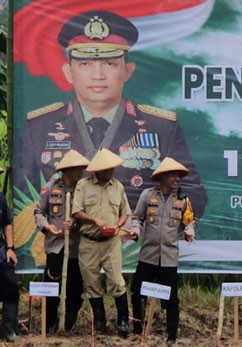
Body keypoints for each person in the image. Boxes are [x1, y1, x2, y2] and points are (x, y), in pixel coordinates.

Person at [17, 10, 206, 217]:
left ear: (128, 71)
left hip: (133, 244)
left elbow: (193, 194)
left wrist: (149, 229)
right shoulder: (40, 127)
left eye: (110, 63)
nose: (98, 75)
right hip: (65, 243)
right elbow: (22, 198)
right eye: (85, 64)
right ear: (68, 72)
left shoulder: (160, 127)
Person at [128, 157, 195, 345]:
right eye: (173, 176)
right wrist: (135, 230)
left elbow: (189, 222)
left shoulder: (182, 200)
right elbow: (137, 218)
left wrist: (189, 232)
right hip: (148, 255)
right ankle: (138, 329)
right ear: (163, 177)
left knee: (172, 299)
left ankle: (172, 335)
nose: (177, 179)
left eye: (179, 176)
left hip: (169, 258)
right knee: (137, 293)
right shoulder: (148, 196)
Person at [72, 149, 131, 337]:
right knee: (91, 282)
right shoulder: (83, 186)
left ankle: (123, 320)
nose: (111, 171)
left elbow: (125, 213)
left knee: (116, 281)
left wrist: (117, 225)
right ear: (97, 169)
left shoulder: (118, 187)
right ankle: (100, 321)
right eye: (107, 168)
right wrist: (94, 220)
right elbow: (77, 212)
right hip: (89, 242)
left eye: (112, 168)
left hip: (111, 242)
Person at [34, 150, 89, 333]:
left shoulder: (83, 191)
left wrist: (75, 222)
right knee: (51, 287)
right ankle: (50, 323)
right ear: (67, 170)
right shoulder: (50, 188)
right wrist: (47, 227)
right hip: (55, 247)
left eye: (82, 169)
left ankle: (70, 322)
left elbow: (88, 216)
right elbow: (39, 212)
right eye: (77, 169)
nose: (80, 172)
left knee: (75, 288)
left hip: (76, 248)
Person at [0, 165, 19, 341]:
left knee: (11, 285)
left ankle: (9, 328)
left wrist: (10, 248)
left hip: (0, 250)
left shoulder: (0, 198)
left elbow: (7, 223)